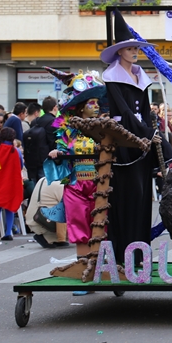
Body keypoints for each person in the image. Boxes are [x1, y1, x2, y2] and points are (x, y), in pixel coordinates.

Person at [101, 10, 172, 265]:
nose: (135, 51)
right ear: (119, 51)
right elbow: (123, 112)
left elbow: (145, 111)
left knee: (144, 197)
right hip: (124, 142)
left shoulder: (140, 76)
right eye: (130, 48)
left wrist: (152, 133)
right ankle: (122, 255)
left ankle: (139, 254)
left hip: (141, 139)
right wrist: (147, 134)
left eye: (136, 48)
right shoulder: (112, 77)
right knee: (127, 196)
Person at [45, 68, 106, 268]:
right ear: (80, 108)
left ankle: (99, 266)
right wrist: (57, 153)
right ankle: (83, 268)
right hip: (76, 185)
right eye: (91, 103)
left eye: (97, 103)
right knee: (79, 226)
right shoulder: (68, 131)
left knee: (101, 225)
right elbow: (62, 149)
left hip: (101, 185)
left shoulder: (104, 128)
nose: (96, 107)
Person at [25, 177, 68, 248]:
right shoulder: (59, 185)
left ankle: (54, 238)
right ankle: (53, 238)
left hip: (34, 219)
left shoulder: (43, 179)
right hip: (42, 222)